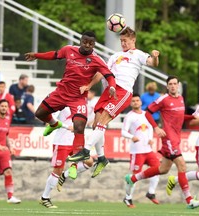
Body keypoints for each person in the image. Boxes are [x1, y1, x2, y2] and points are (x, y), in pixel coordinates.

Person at [67, 27, 160, 179]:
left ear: (133, 40)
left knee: (103, 121)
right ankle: (102, 158)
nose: (123, 43)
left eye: (125, 41)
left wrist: (155, 57)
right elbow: (101, 73)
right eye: (121, 41)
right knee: (96, 124)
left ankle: (85, 150)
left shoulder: (138, 54)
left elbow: (152, 62)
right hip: (107, 91)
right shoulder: (114, 56)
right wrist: (89, 86)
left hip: (122, 92)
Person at [24, 31, 116, 161]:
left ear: (94, 44)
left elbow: (109, 75)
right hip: (61, 92)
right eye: (85, 42)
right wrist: (37, 55)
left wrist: (112, 86)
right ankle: (53, 123)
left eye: (91, 43)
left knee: (79, 126)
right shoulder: (68, 50)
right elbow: (55, 55)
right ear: (80, 41)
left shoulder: (97, 60)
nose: (87, 45)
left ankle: (78, 155)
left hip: (78, 98)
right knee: (39, 114)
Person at [124, 76, 199, 209]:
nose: (173, 86)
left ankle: (132, 178)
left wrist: (193, 117)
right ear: (167, 86)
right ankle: (189, 200)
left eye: (175, 84)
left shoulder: (180, 99)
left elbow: (179, 116)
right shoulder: (163, 99)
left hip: (176, 138)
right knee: (182, 166)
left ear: (178, 85)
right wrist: (156, 128)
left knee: (163, 169)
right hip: (168, 138)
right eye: (170, 84)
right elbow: (148, 113)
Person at [40, 107, 93, 208]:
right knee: (57, 170)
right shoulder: (61, 104)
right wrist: (66, 126)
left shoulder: (81, 105)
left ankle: (64, 175)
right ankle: (45, 197)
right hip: (61, 142)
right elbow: (50, 122)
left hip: (75, 142)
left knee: (89, 162)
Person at [121, 94, 160, 208]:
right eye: (133, 101)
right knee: (134, 176)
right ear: (130, 103)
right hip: (137, 152)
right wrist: (131, 136)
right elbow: (123, 132)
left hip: (148, 150)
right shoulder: (130, 116)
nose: (136, 103)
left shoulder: (146, 114)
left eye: (137, 100)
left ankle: (151, 192)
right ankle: (128, 198)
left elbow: (150, 127)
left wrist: (150, 139)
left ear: (141, 102)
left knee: (158, 169)